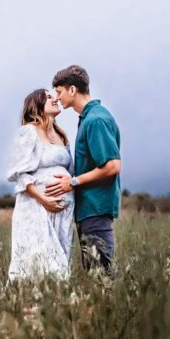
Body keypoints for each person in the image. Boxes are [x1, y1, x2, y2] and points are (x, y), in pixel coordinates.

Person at [45, 65, 122, 274]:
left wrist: (72, 181)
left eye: (59, 92)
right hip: (88, 210)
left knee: (103, 276)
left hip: (96, 209)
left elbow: (112, 166)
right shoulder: (88, 118)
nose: (57, 98)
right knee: (95, 273)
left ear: (72, 90)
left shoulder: (96, 119)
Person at [6, 89, 75, 281]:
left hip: (63, 209)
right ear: (37, 105)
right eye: (49, 97)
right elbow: (18, 173)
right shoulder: (29, 131)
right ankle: (29, 304)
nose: (56, 99)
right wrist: (44, 199)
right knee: (40, 260)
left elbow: (70, 171)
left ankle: (56, 307)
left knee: (61, 256)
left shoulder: (61, 134)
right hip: (36, 207)